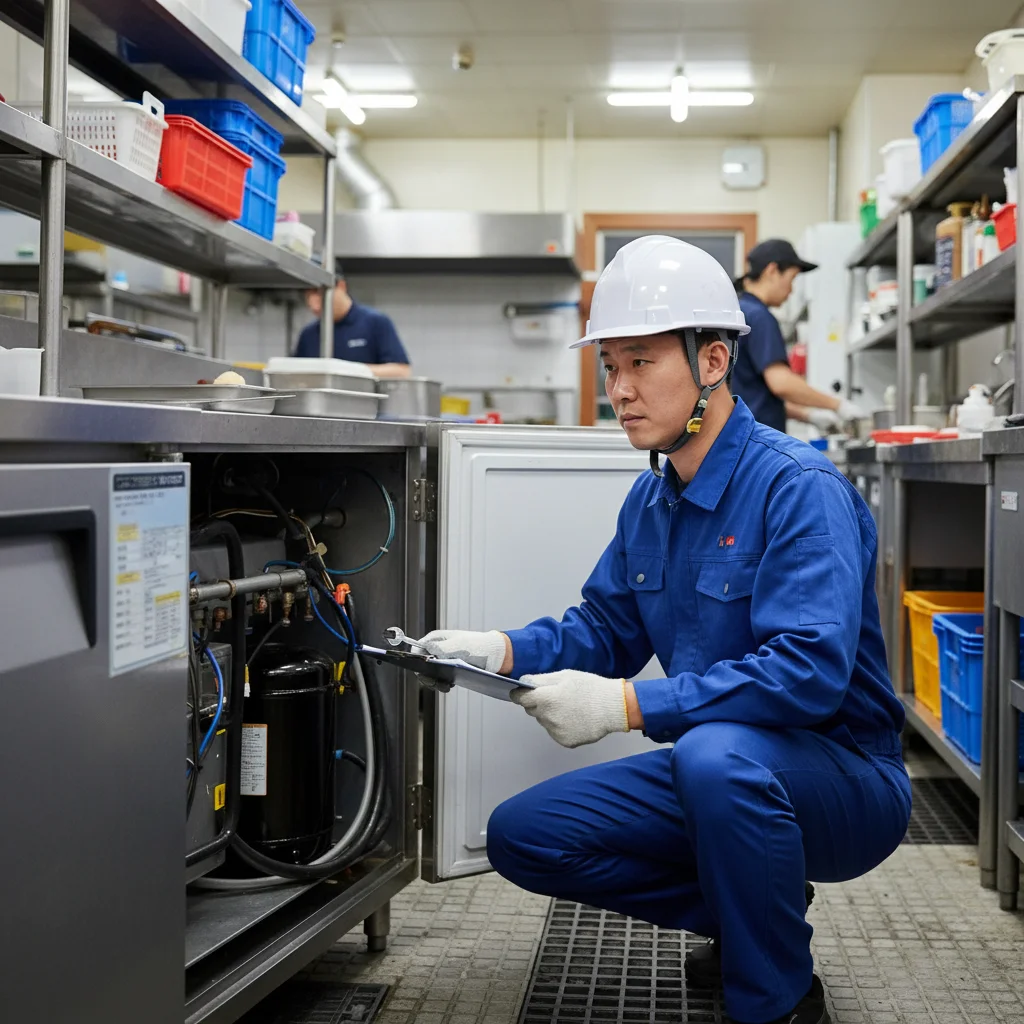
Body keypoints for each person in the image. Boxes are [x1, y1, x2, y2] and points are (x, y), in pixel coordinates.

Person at [418, 236, 910, 1024]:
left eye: (641, 362)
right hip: (730, 776)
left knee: (713, 755)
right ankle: (752, 904)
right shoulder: (652, 501)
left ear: (713, 362)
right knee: (524, 835)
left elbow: (807, 674)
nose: (619, 388)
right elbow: (605, 627)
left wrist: (626, 709)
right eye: (610, 366)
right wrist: (498, 649)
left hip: (846, 777)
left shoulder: (799, 490)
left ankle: (776, 1001)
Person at [734, 239, 864, 433]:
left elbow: (755, 396)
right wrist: (838, 405)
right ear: (772, 271)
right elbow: (781, 383)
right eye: (791, 278)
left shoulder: (740, 312)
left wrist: (808, 416)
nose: (792, 290)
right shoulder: (760, 317)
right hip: (756, 440)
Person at [294, 272, 411, 378]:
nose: (314, 305)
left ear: (341, 286)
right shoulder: (308, 334)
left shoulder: (375, 322)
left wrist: (345, 371)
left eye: (319, 293)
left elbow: (401, 372)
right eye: (307, 296)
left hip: (366, 400)